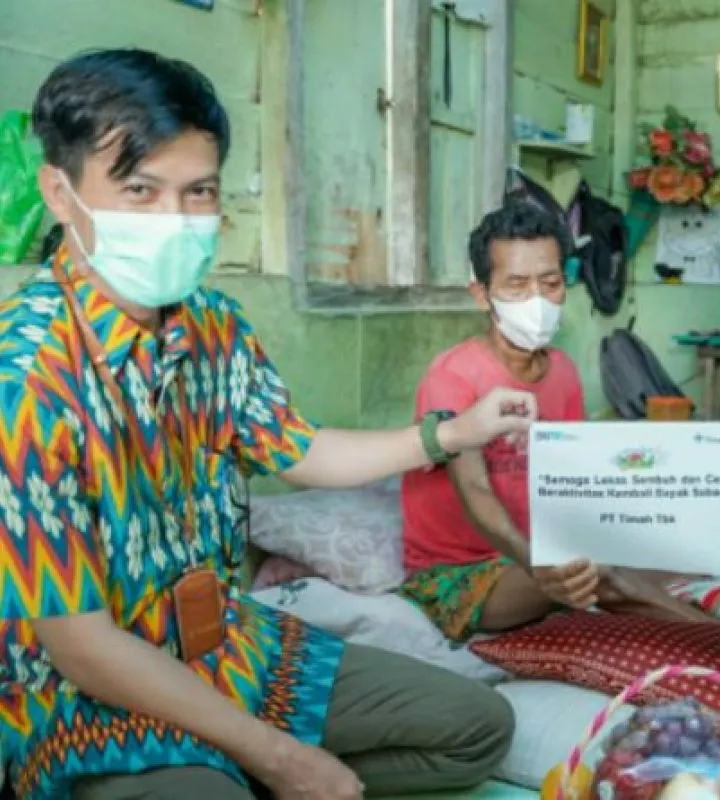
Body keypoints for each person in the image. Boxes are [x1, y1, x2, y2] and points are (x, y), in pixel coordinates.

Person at [1, 48, 533, 800]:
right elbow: (81, 646)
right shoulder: (23, 379)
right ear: (61, 193)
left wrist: (448, 434)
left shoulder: (212, 323)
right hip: (86, 697)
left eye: (199, 192)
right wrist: (281, 758)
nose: (175, 220)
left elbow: (299, 448)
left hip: (229, 649)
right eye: (140, 190)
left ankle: (240, 768)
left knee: (477, 726)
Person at [399, 201, 597, 641]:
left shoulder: (563, 372)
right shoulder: (452, 377)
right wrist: (540, 565)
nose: (537, 301)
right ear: (481, 294)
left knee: (646, 560)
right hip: (458, 576)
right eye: (516, 285)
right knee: (597, 575)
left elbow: (574, 478)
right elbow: (474, 488)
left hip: (533, 558)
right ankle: (719, 636)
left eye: (550, 283)